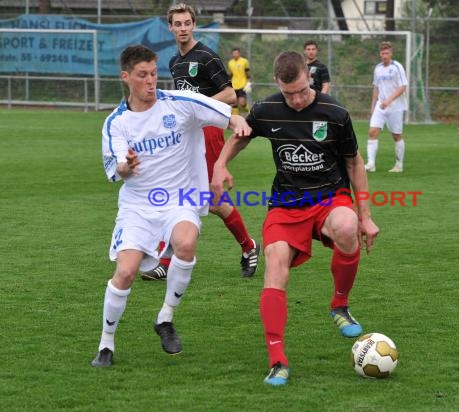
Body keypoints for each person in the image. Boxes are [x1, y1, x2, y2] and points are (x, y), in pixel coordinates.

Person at [211, 51, 380, 385]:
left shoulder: (335, 112)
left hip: (330, 197)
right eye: (290, 93)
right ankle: (278, 361)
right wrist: (220, 164)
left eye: (302, 90)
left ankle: (339, 306)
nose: (298, 99)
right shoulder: (266, 109)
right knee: (274, 268)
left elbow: (354, 162)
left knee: (347, 228)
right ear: (278, 84)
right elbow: (240, 137)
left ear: (309, 76)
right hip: (286, 205)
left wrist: (366, 216)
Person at [91, 45, 251, 367]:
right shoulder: (116, 123)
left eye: (153, 74)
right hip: (137, 205)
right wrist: (127, 166)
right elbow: (117, 169)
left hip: (180, 199)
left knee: (186, 243)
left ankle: (165, 317)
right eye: (142, 75)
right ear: (126, 77)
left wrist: (237, 124)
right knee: (125, 272)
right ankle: (106, 344)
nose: (151, 81)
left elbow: (224, 113)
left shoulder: (178, 102)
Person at [141, 2, 260, 280]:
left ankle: (248, 245)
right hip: (186, 134)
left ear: (194, 25)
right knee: (175, 193)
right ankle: (167, 260)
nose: (182, 28)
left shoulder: (206, 57)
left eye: (187, 23)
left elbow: (230, 95)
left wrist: (197, 104)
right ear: (170, 27)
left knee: (214, 198)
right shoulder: (174, 62)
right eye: (177, 24)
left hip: (209, 132)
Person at [365, 41, 408, 173]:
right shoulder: (377, 68)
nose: (384, 55)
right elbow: (376, 88)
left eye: (387, 53)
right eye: (382, 53)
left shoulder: (397, 67)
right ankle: (371, 164)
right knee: (372, 132)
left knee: (396, 135)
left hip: (395, 106)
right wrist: (373, 107)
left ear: (391, 53)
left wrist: (389, 100)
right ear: (380, 54)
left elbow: (403, 87)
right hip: (381, 105)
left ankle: (399, 165)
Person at [227, 47, 252, 115]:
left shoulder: (244, 61)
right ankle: (236, 118)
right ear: (232, 54)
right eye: (233, 53)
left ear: (239, 54)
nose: (235, 54)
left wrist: (248, 82)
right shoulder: (230, 63)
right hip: (234, 85)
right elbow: (231, 74)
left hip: (242, 84)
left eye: (236, 53)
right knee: (234, 103)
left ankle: (250, 111)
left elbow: (247, 72)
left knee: (242, 103)